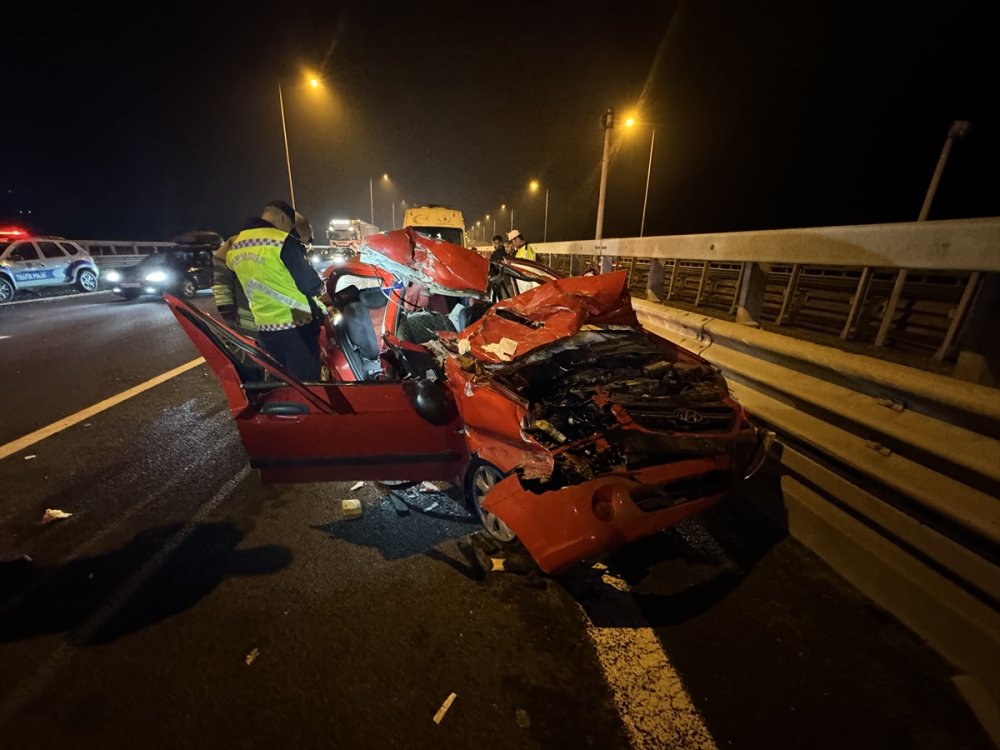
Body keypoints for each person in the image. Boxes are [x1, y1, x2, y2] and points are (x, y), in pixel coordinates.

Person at [226, 200, 325, 381]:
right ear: (282, 218)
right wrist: (321, 286)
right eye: (290, 225)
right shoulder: (282, 241)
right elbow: (309, 284)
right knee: (307, 382)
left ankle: (283, 407)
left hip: (264, 325)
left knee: (281, 376)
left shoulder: (237, 245)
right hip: (297, 321)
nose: (289, 230)